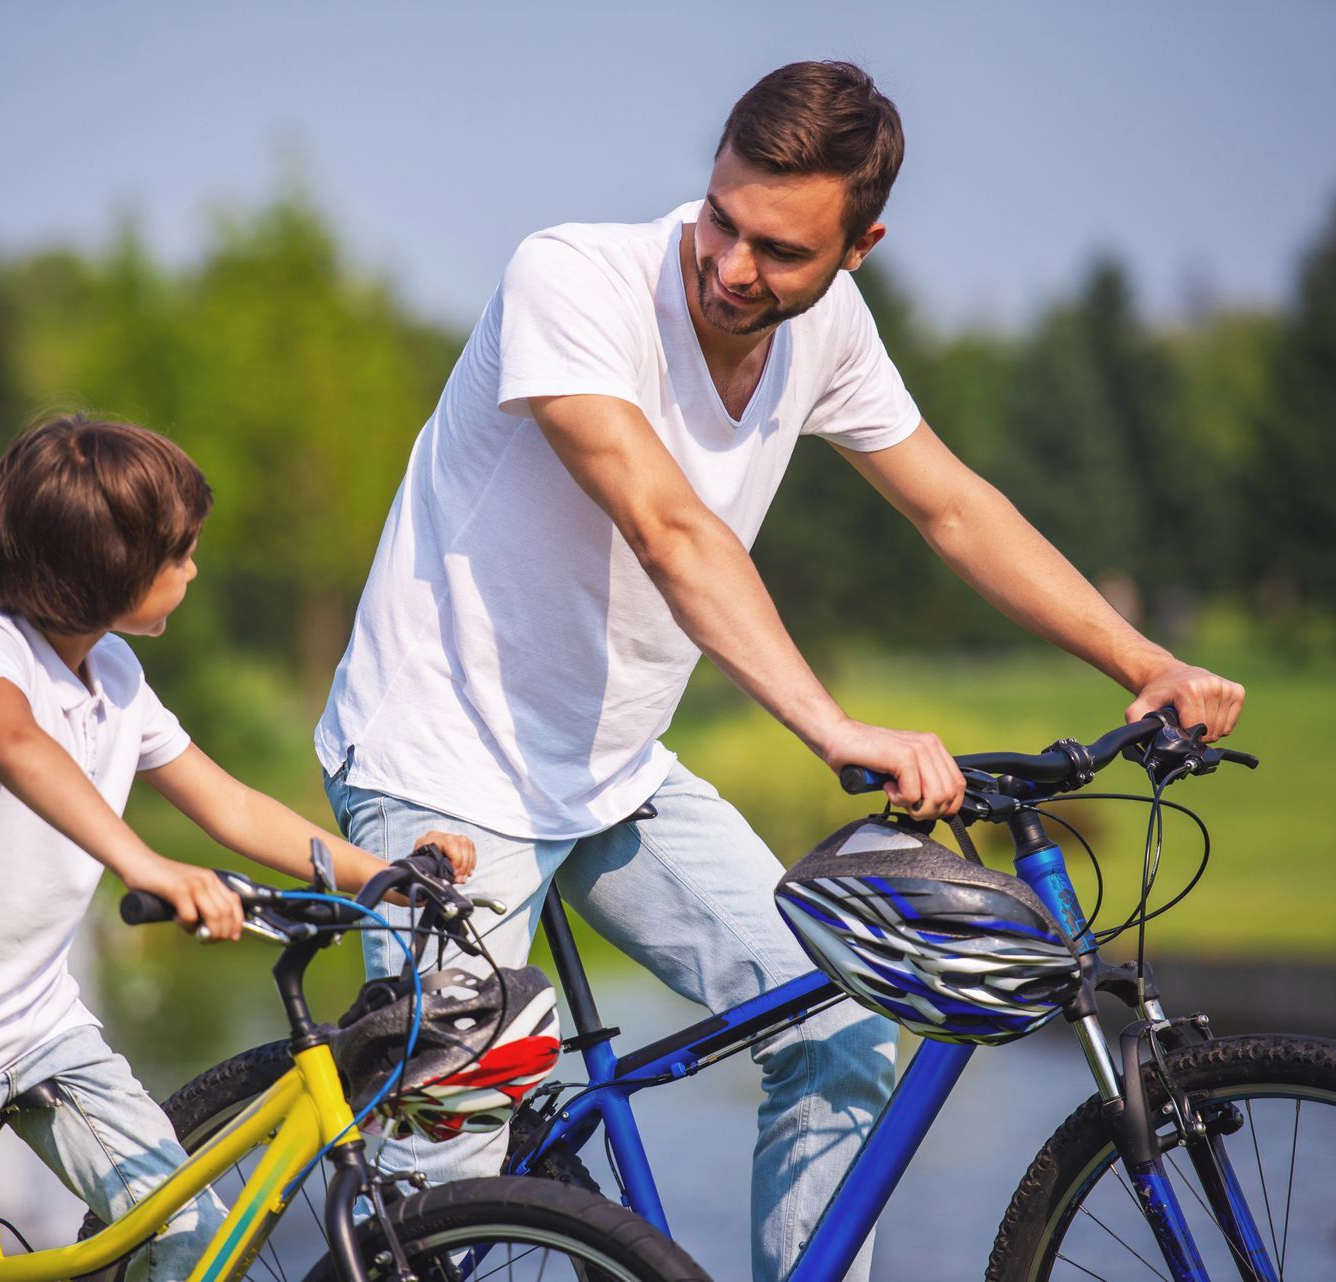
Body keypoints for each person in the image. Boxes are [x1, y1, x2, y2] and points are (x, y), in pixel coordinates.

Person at [314, 60, 1245, 1282]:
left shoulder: (830, 337)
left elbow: (954, 508)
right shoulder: (573, 280)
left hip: (610, 773)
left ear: (861, 246)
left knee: (842, 1016)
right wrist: (829, 725)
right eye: (723, 219)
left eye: (782, 251)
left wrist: (1144, 659)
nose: (732, 265)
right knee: (450, 1174)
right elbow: (669, 525)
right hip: (441, 768)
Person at [0, 415, 474, 1282]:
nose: (194, 568)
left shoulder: (116, 674)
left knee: (196, 1242)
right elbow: (16, 745)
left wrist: (382, 878)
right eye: (178, 553)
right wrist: (143, 863)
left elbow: (228, 803)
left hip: (39, 1028)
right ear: (107, 569)